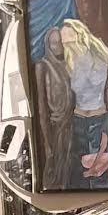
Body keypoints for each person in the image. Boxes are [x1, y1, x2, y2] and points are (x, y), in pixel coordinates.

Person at [60, 19, 108, 167]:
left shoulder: (96, 56)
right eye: (63, 37)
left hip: (97, 116)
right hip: (79, 117)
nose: (65, 40)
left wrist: (83, 58)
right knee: (83, 161)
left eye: (68, 34)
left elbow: (97, 81)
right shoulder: (71, 60)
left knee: (99, 161)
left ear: (79, 34)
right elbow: (76, 88)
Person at [34, 25, 75, 188]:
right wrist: (46, 142)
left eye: (61, 42)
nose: (58, 47)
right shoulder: (42, 66)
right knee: (53, 174)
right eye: (54, 43)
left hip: (71, 126)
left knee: (69, 173)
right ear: (47, 45)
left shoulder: (68, 64)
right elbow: (41, 108)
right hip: (53, 128)